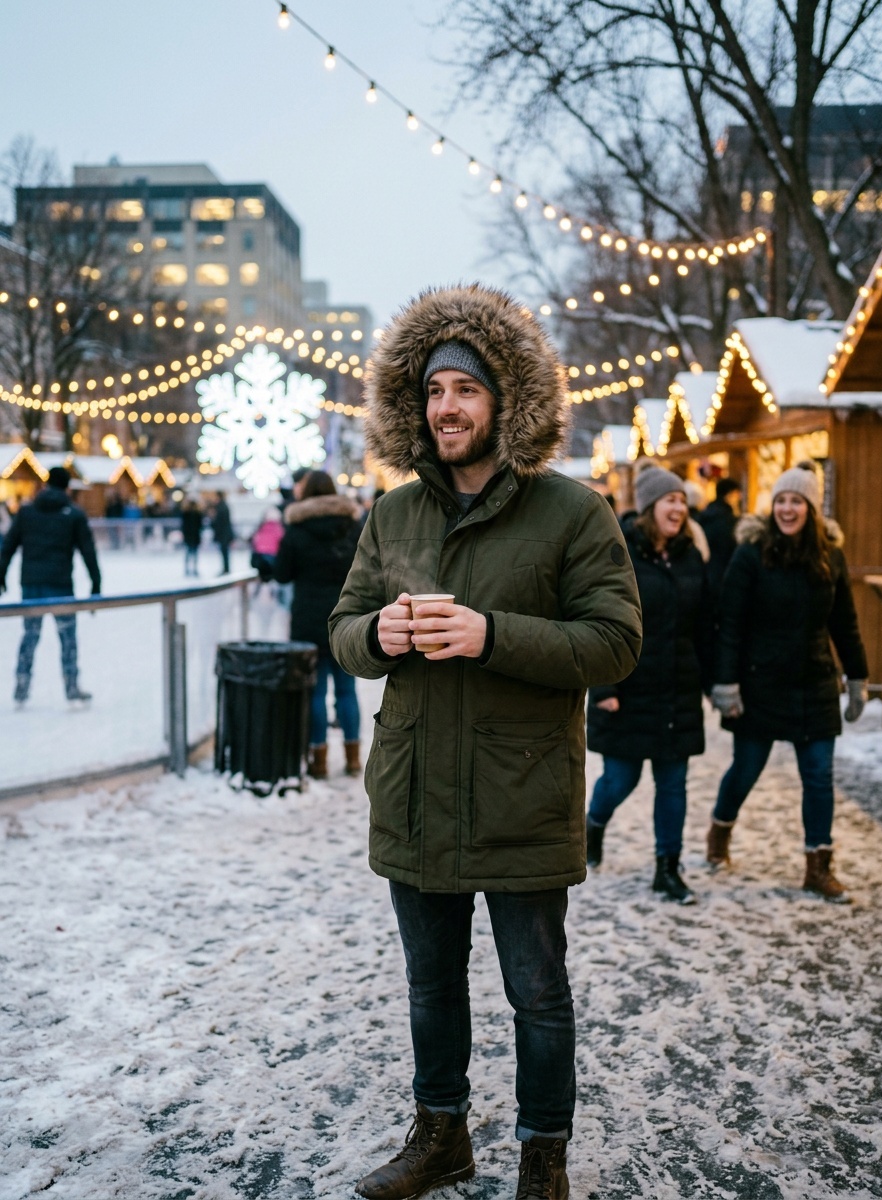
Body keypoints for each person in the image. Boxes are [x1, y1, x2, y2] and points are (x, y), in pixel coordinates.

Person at [329, 284, 642, 1200]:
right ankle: (441, 1137)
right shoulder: (392, 515)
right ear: (412, 407)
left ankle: (543, 1152)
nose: (448, 407)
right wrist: (379, 635)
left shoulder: (571, 512)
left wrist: (492, 633)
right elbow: (343, 630)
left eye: (466, 388)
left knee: (537, 996)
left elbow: (616, 643)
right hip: (418, 788)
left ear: (505, 399)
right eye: (433, 391)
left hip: (522, 792)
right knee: (433, 990)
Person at [707, 465, 868, 901]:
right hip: (761, 684)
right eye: (781, 500)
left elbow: (845, 624)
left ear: (811, 508)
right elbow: (731, 623)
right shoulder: (751, 553)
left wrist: (857, 677)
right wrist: (726, 684)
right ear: (772, 505)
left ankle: (818, 866)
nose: (787, 508)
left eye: (797, 501)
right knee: (746, 769)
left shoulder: (829, 556)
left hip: (814, 683)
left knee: (818, 776)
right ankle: (719, 831)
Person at [586, 466, 713, 904]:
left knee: (673, 783)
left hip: (677, 687)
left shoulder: (691, 555)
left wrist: (717, 682)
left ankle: (667, 868)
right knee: (620, 779)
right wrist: (603, 688)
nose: (678, 507)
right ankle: (593, 825)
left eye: (682, 500)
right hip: (628, 684)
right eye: (669, 500)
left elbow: (704, 626)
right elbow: (597, 619)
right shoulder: (618, 552)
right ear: (648, 506)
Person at [274, 471, 363, 779]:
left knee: (315, 692)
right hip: (348, 616)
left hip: (309, 620)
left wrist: (265, 563)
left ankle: (319, 760)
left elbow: (283, 573)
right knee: (347, 691)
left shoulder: (297, 529)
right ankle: (353, 758)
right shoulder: (352, 526)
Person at [0, 466, 101, 704]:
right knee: (67, 637)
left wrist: (1, 575)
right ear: (67, 487)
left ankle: (22, 684)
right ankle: (71, 685)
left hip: (32, 585)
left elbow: (9, 546)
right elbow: (88, 551)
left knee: (30, 634)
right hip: (60, 586)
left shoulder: (27, 512)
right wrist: (96, 584)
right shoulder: (73, 514)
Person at [698, 477, 742, 600]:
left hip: (704, 575)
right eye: (736, 494)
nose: (739, 498)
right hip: (723, 575)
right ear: (728, 494)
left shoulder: (704, 515)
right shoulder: (728, 520)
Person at [250, 506, 285, 584]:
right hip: (273, 557)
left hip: (261, 556)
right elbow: (282, 542)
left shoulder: (261, 528)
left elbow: (255, 541)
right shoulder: (279, 529)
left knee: (263, 576)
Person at [180, 496, 204, 577]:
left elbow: (183, 526)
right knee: (192, 553)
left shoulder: (187, 513)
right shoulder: (195, 514)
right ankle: (192, 569)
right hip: (194, 536)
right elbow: (200, 526)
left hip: (191, 536)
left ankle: (189, 569)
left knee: (189, 553)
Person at [211, 491, 234, 574]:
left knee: (224, 552)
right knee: (225, 552)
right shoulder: (224, 506)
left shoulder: (221, 508)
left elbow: (219, 522)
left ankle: (226, 569)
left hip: (223, 534)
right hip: (225, 534)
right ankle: (226, 568)